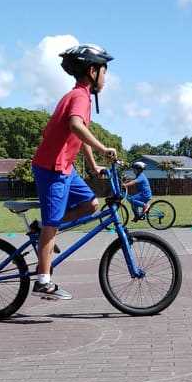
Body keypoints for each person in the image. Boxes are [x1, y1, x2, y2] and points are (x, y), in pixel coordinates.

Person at [30, 44, 117, 302]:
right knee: (52, 224)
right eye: (104, 71)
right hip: (52, 168)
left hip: (65, 168)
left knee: (91, 204)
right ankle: (43, 280)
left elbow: (78, 138)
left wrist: (92, 166)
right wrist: (103, 148)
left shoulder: (82, 97)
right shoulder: (79, 96)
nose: (106, 77)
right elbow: (75, 125)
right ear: (92, 70)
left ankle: (40, 232)